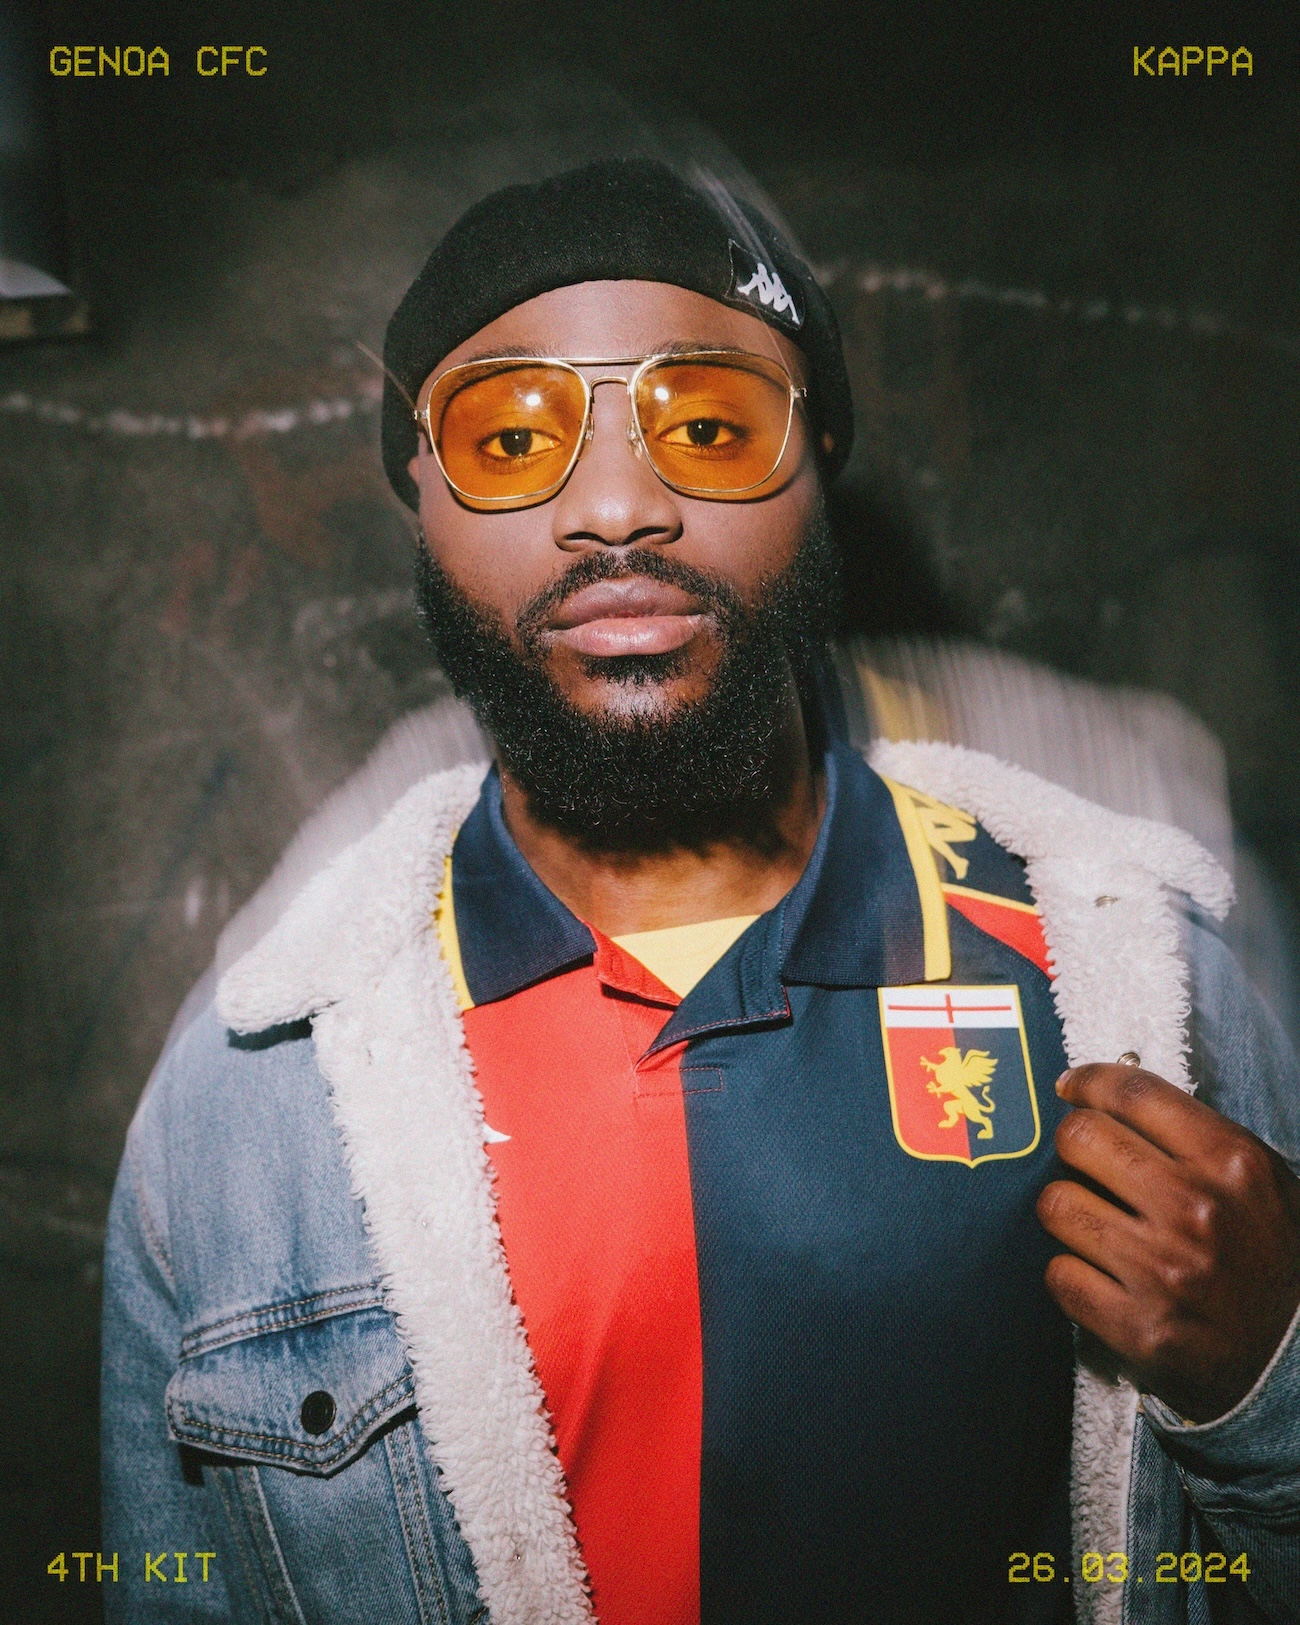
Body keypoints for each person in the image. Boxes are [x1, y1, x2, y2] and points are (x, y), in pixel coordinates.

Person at [101, 158, 1300, 1625]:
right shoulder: (250, 1107)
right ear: (418, 493)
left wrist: (1271, 1380)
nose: (617, 509)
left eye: (712, 427)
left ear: (821, 462)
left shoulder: (1124, 977)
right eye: (511, 436)